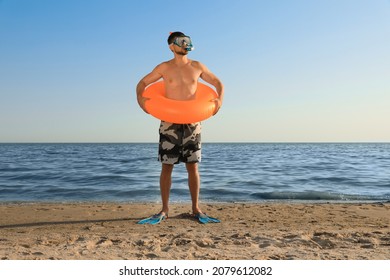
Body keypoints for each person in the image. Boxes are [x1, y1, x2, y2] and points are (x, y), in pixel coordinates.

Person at [136, 31, 224, 224]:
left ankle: (195, 208)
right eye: (181, 42)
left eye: (188, 41)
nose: (185, 44)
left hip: (193, 120)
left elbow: (217, 82)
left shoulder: (197, 66)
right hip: (169, 121)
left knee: (193, 166)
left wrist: (219, 100)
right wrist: (141, 100)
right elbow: (142, 83)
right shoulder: (164, 68)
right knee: (167, 166)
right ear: (171, 46)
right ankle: (164, 210)